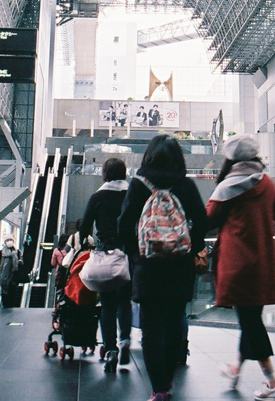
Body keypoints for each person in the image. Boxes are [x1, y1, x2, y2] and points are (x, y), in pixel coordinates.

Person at [118, 135, 207, 401]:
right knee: (173, 326)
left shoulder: (139, 185)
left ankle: (158, 389)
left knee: (151, 329)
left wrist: (136, 255)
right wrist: (190, 250)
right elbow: (202, 222)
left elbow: (124, 225)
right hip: (180, 268)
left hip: (148, 268)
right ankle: (167, 382)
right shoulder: (186, 185)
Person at [206, 134, 275, 400]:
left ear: (230, 158)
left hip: (236, 264)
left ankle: (272, 383)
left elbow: (208, 219)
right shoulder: (269, 184)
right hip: (263, 262)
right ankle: (235, 369)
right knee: (250, 318)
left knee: (250, 322)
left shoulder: (226, 187)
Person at [79, 157, 132, 370]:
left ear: (105, 174)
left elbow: (84, 227)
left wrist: (85, 240)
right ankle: (125, 340)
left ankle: (111, 350)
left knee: (107, 305)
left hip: (105, 255)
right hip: (127, 256)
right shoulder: (131, 195)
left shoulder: (97, 197)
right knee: (124, 301)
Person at [0, 236, 23, 308]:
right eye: (8, 240)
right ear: (5, 242)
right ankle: (5, 306)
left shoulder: (18, 252)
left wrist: (20, 263)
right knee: (4, 293)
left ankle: (10, 306)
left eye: (11, 240)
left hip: (13, 276)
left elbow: (22, 263)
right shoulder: (1, 252)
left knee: (12, 293)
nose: (9, 241)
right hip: (4, 277)